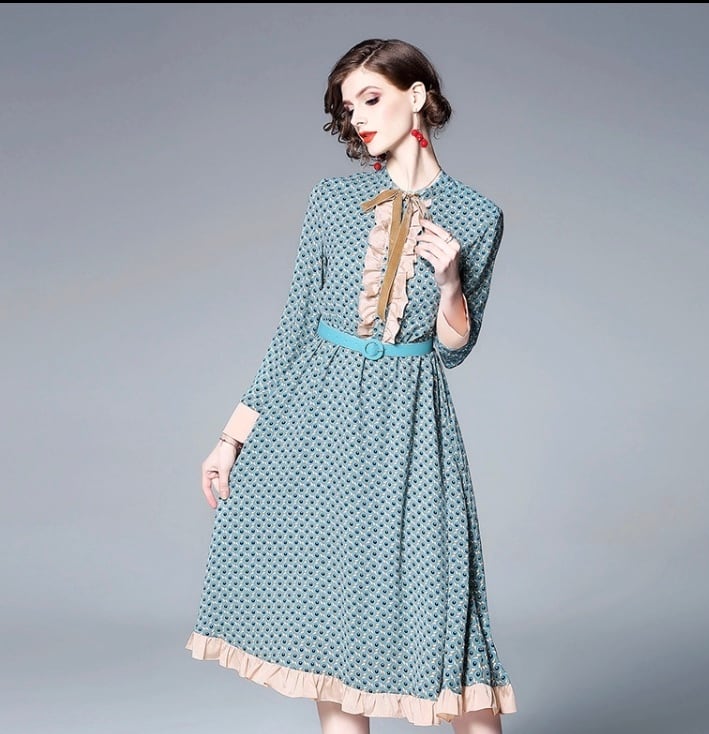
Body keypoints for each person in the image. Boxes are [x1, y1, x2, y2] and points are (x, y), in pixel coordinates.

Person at [184, 38, 518, 733]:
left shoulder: (477, 215)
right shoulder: (332, 200)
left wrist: (450, 283)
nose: (359, 117)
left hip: (409, 428)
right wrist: (231, 438)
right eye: (349, 107)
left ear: (416, 96)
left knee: (444, 609)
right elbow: (294, 328)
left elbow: (455, 351)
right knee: (329, 620)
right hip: (318, 425)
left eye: (372, 98)